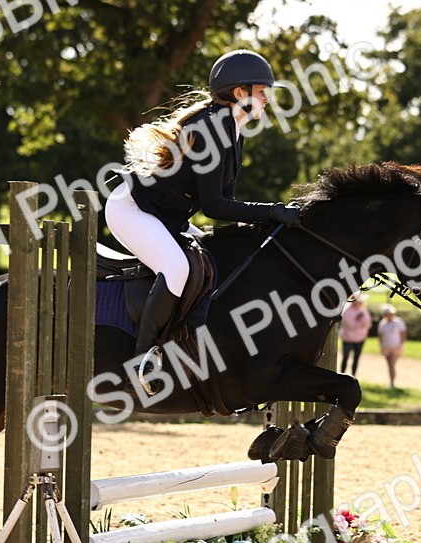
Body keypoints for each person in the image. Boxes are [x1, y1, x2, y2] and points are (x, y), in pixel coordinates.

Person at [104, 49, 302, 395]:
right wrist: (272, 210)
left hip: (167, 215)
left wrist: (265, 218)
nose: (268, 100)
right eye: (263, 91)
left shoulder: (233, 130)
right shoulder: (214, 126)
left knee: (211, 257)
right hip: (131, 208)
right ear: (240, 93)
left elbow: (229, 202)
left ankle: (183, 342)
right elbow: (214, 206)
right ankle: (141, 360)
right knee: (177, 268)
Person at [339, 295, 372, 375]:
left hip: (360, 338)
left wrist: (360, 321)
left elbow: (368, 323)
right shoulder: (347, 310)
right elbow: (349, 324)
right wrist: (359, 321)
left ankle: (353, 375)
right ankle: (342, 374)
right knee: (345, 357)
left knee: (356, 358)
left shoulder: (363, 310)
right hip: (348, 338)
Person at [377, 305, 407, 388]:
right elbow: (380, 336)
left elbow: (403, 334)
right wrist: (381, 346)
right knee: (390, 365)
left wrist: (401, 345)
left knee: (392, 364)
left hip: (396, 346)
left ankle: (392, 382)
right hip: (386, 346)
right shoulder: (382, 323)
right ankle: (391, 381)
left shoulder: (398, 322)